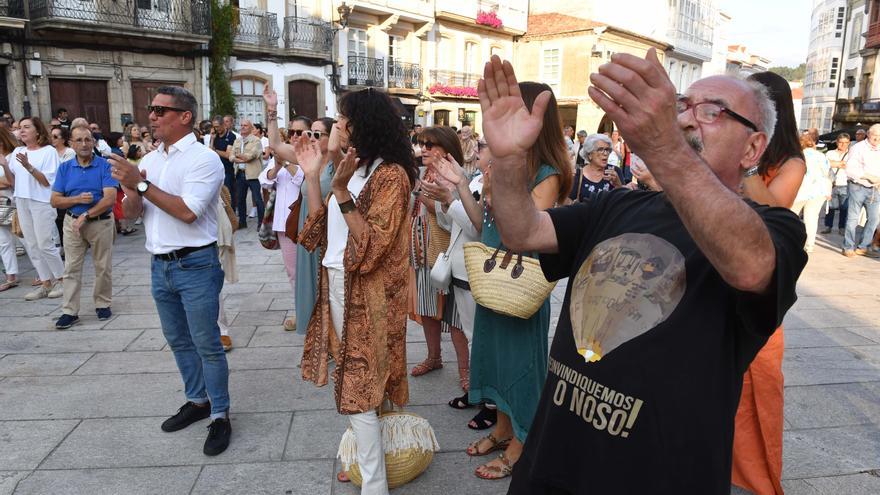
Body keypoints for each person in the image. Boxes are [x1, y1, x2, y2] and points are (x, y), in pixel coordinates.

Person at [470, 52, 807, 493]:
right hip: (552, 463)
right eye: (681, 105)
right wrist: (510, 160)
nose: (686, 119)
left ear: (753, 148)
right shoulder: (620, 204)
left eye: (711, 111)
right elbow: (522, 231)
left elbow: (750, 267)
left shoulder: (774, 228)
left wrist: (664, 140)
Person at [292, 87, 417, 494]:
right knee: (358, 375)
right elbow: (315, 233)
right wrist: (315, 177)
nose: (336, 125)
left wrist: (343, 193)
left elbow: (372, 247)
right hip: (337, 283)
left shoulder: (390, 176)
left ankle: (374, 483)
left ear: (363, 125)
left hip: (366, 291)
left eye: (343, 119)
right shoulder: (351, 168)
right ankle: (371, 458)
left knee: (359, 383)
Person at [114, 86, 231, 456]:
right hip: (159, 264)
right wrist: (131, 190)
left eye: (161, 110)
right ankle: (198, 402)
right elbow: (133, 216)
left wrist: (141, 183)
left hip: (196, 264)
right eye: (151, 109)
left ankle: (221, 414)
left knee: (207, 344)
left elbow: (187, 212)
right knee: (179, 341)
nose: (152, 116)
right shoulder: (153, 158)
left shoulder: (204, 159)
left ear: (185, 117)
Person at [465, 81, 572, 482]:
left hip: (521, 281)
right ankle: (503, 428)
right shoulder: (504, 163)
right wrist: (464, 187)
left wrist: (494, 188)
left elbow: (523, 232)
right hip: (492, 276)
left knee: (523, 364)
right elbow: (483, 225)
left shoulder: (549, 173)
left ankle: (523, 443)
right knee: (495, 357)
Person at [731, 70, 806, 495]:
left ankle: (756, 480)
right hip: (725, 274)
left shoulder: (790, 163)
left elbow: (775, 211)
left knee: (758, 383)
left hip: (761, 281)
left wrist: (745, 166)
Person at [409, 126, 472, 399]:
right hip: (423, 250)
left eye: (430, 145)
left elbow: (455, 220)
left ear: (446, 149)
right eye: (422, 144)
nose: (423, 149)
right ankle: (434, 357)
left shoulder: (457, 176)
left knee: (456, 317)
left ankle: (466, 371)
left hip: (448, 253)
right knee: (426, 309)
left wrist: (420, 194)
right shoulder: (425, 173)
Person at [49, 126, 117, 329]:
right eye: (79, 140)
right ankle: (69, 310)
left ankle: (102, 303)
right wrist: (77, 199)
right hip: (72, 222)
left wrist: (86, 214)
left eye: (88, 139)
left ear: (94, 143)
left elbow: (110, 199)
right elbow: (54, 200)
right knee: (71, 267)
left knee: (102, 265)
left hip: (100, 222)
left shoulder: (105, 165)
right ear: (71, 144)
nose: (84, 144)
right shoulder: (65, 168)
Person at [4, 117, 64, 301]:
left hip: (41, 201)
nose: (21, 130)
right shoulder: (17, 151)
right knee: (31, 244)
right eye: (20, 127)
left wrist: (29, 166)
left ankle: (62, 280)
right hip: (22, 199)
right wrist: (5, 165)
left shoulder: (48, 152)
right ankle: (46, 282)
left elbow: (47, 181)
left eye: (26, 127)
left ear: (37, 131)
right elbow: (13, 181)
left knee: (45, 242)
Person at [258, 116, 308, 331]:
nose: (294, 136)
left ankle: (310, 310)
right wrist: (277, 166)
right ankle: (301, 311)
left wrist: (285, 163)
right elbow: (265, 180)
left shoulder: (310, 155)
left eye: (299, 132)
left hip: (304, 221)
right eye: (292, 131)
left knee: (310, 270)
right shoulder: (282, 154)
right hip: (282, 223)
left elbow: (302, 179)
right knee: (293, 272)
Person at [842, 123, 880, 257]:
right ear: (868, 134)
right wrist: (868, 176)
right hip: (858, 186)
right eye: (875, 136)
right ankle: (848, 246)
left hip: (875, 189)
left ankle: (863, 246)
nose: (877, 140)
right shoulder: (858, 148)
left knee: (874, 219)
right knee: (853, 219)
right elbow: (850, 169)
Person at [791, 134, 831, 253]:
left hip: (800, 189)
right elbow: (827, 173)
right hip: (818, 190)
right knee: (812, 218)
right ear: (813, 144)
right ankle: (809, 245)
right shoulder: (821, 156)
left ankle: (791, 241)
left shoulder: (796, 156)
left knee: (792, 216)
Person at [230, 119, 264, 228]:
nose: (243, 127)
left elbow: (250, 156)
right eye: (241, 125)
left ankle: (261, 224)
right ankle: (242, 223)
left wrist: (238, 156)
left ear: (250, 128)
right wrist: (241, 158)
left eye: (245, 125)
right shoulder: (237, 141)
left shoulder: (256, 141)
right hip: (240, 174)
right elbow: (230, 157)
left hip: (253, 175)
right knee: (240, 200)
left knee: (258, 200)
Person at [570, 133, 623, 202]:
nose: (605, 153)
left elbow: (623, 201)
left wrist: (618, 184)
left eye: (607, 150)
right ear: (589, 155)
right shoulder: (578, 174)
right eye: (600, 150)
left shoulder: (615, 171)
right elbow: (567, 203)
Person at [0, 127, 19, 291]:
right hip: (1, 202)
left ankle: (43, 275)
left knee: (23, 236)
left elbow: (11, 181)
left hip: (11, 201)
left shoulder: (12, 156)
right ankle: (10, 275)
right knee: (3, 241)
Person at [822, 133, 850, 235]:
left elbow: (850, 166)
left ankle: (841, 227)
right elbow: (825, 164)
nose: (843, 145)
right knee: (830, 207)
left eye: (846, 143)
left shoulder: (851, 154)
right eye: (841, 142)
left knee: (844, 208)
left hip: (845, 183)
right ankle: (828, 226)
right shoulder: (830, 153)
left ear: (849, 143)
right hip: (831, 183)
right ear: (837, 142)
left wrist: (833, 163)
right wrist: (838, 163)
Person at [211, 115, 238, 213]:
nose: (216, 129)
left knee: (228, 194)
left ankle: (231, 215)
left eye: (217, 126)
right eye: (214, 127)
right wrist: (212, 139)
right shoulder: (215, 135)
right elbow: (210, 152)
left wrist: (215, 151)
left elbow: (228, 154)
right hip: (215, 170)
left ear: (223, 125)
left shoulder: (230, 136)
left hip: (227, 171)